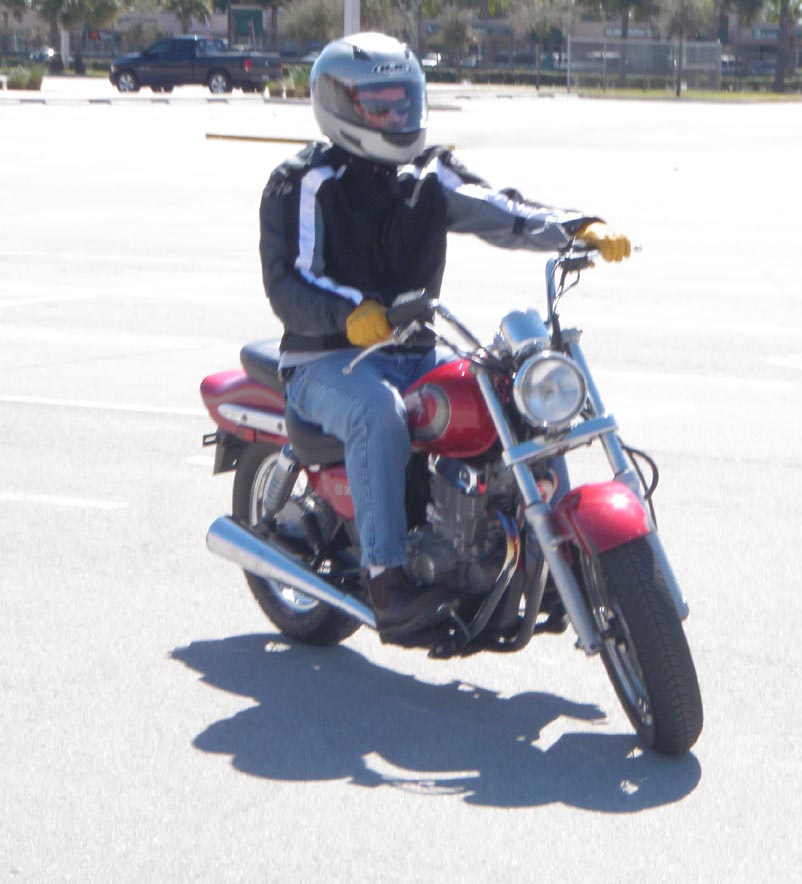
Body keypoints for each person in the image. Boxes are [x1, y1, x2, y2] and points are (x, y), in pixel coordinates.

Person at [258, 32, 630, 643]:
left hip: (414, 350)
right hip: (329, 359)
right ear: (340, 106)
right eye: (379, 106)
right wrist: (348, 314)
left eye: (403, 103)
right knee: (378, 414)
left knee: (510, 392)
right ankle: (388, 582)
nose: (395, 116)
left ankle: (551, 553)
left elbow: (502, 210)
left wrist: (575, 226)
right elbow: (288, 280)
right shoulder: (304, 180)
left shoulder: (428, 172)